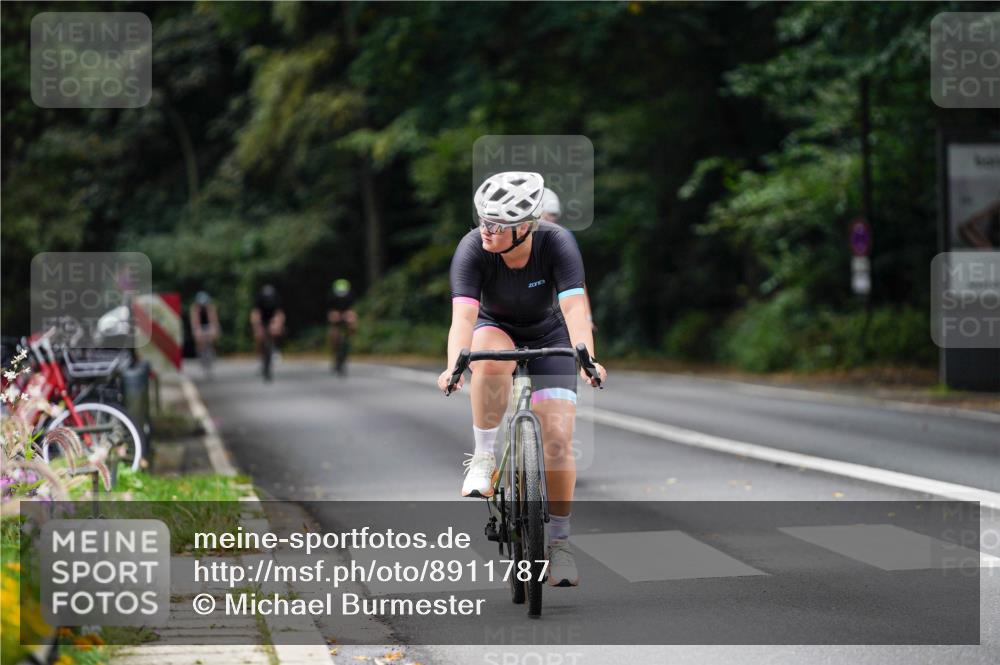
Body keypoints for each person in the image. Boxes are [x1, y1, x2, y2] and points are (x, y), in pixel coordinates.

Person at [436, 171, 606, 588]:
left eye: (497, 224)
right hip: (496, 325)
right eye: (482, 220)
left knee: (558, 438)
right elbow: (463, 316)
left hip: (550, 332)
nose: (486, 231)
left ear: (526, 226)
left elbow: (574, 306)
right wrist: (454, 364)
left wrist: (587, 357)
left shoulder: (557, 242)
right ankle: (483, 457)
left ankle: (560, 545)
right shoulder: (473, 247)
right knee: (488, 359)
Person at [539, 187, 596, 329]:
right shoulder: (516, 236)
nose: (550, 220)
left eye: (553, 216)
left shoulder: (563, 236)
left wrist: (586, 317)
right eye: (547, 215)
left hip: (558, 307)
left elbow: (577, 281)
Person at [250, 284, 285, 382]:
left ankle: (276, 349)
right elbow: (255, 314)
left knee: (277, 331)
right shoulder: (259, 300)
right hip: (262, 319)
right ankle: (259, 359)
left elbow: (280, 314)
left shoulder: (276, 300)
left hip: (272, 319)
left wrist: (277, 325)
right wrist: (257, 327)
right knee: (259, 337)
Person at [327, 278, 358, 375]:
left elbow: (353, 309)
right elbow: (330, 311)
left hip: (346, 312)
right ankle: (335, 352)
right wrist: (334, 316)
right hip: (335, 312)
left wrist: (350, 319)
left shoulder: (350, 295)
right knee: (334, 333)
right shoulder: (331, 296)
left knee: (352, 323)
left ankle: (348, 342)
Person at [190, 291, 220, 378]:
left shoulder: (210, 308)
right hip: (199, 325)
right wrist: (197, 331)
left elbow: (214, 320)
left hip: (208, 325)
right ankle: (200, 354)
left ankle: (212, 351)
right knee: (199, 337)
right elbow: (195, 321)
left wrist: (215, 329)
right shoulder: (195, 308)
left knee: (213, 335)